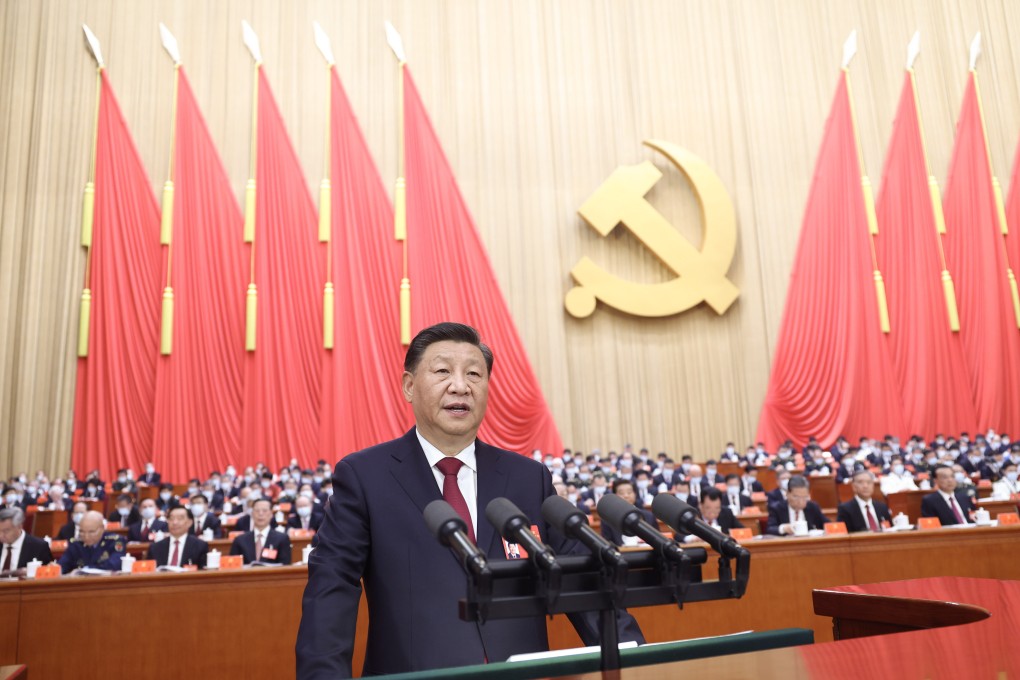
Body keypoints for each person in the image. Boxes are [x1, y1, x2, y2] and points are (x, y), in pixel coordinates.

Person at [296, 322, 644, 678]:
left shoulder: (528, 478)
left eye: (474, 374)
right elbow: (332, 590)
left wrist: (639, 661)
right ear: (409, 386)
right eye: (443, 371)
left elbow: (583, 580)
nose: (460, 386)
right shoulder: (365, 477)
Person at [58, 511, 125, 573]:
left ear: (102, 529)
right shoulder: (76, 544)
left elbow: (114, 565)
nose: (86, 537)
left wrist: (85, 570)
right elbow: (63, 565)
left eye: (91, 532)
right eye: (82, 532)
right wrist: (56, 568)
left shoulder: (114, 541)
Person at [231, 498, 291, 564]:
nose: (260, 514)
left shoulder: (282, 539)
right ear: (252, 514)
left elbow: (285, 565)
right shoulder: (240, 540)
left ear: (271, 514)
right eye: (257, 511)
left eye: (264, 511)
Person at [599, 479, 657, 546]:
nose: (626, 496)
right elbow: (607, 543)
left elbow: (656, 541)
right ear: (615, 496)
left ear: (635, 494)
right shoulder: (607, 520)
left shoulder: (649, 516)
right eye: (621, 493)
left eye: (629, 492)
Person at [680, 487, 744, 543]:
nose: (712, 512)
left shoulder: (727, 513)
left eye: (717, 508)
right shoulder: (692, 516)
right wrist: (692, 538)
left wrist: (726, 536)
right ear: (700, 505)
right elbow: (679, 535)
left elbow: (743, 530)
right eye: (708, 508)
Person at [0, 507, 53, 573]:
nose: (1, 535)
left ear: (19, 526)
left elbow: (48, 573)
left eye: (6, 531)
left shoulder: (39, 547)